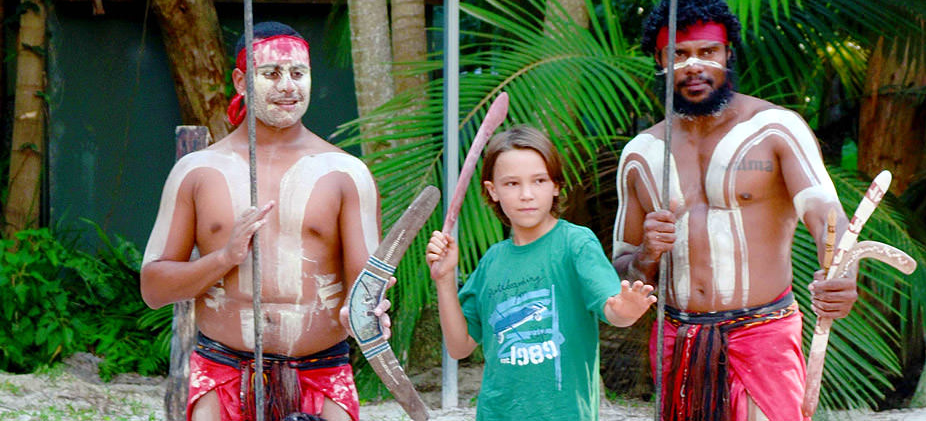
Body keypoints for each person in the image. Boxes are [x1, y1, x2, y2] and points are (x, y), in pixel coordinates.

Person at [611, 0, 859, 420]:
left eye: (708, 52)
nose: (693, 65)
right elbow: (620, 271)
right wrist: (646, 255)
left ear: (728, 55)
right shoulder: (641, 154)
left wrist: (843, 271)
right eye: (678, 54)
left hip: (763, 337)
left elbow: (825, 211)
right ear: (660, 60)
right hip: (678, 339)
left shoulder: (776, 129)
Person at [140, 21, 388, 421]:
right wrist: (224, 257)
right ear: (241, 81)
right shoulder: (196, 172)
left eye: (298, 73)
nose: (288, 86)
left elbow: (366, 290)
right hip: (222, 374)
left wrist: (363, 312)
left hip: (321, 374)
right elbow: (153, 288)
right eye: (271, 73)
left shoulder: (348, 174)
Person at [425, 125, 657, 420]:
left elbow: (614, 311)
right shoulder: (492, 261)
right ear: (492, 191)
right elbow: (459, 347)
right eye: (511, 184)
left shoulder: (576, 243)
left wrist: (628, 309)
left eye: (539, 180)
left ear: (556, 185)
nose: (526, 195)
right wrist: (444, 280)